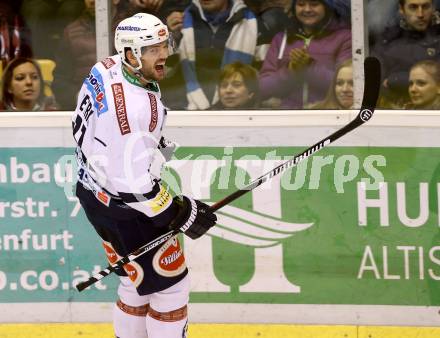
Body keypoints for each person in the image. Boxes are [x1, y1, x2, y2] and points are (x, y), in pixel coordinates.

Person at [72, 13, 217, 338]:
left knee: (134, 283)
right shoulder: (137, 110)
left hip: (93, 192)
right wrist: (179, 212)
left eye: (164, 44)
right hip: (127, 209)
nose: (163, 53)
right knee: (171, 291)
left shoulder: (105, 67)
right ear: (130, 53)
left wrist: (144, 147)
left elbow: (97, 127)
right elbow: (135, 188)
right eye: (151, 48)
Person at [161, 0, 265, 110]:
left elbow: (263, 73)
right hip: (183, 109)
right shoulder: (180, 21)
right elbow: (162, 69)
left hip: (238, 113)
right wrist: (170, 34)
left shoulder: (253, 24)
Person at [259, 0, 352, 109]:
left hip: (328, 115)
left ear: (327, 6)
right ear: (294, 8)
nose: (307, 9)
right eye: (301, 4)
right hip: (287, 117)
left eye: (314, 4)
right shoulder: (281, 39)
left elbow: (346, 86)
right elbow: (262, 88)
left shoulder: (344, 38)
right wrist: (290, 71)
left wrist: (310, 66)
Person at [52, 0, 123, 110]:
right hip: (84, 110)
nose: (92, 1)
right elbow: (60, 80)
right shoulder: (71, 32)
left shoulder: (128, 29)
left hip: (123, 107)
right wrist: (79, 98)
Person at [372, 0, 440, 108]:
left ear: (433, 7)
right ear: (401, 9)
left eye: (426, 7)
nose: (420, 14)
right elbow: (373, 83)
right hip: (392, 112)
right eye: (413, 7)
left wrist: (395, 80)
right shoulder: (388, 41)